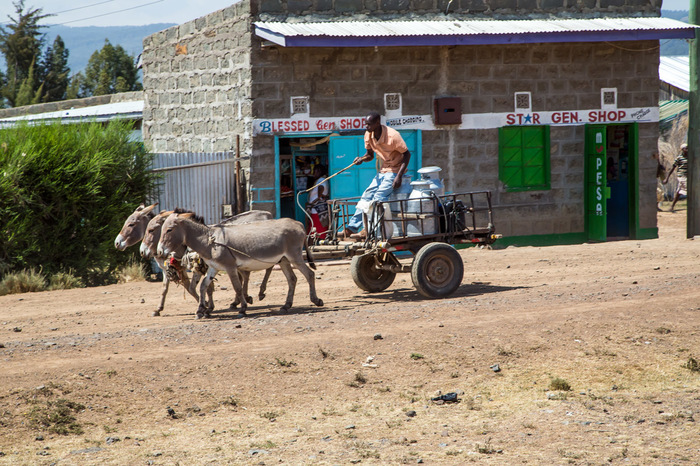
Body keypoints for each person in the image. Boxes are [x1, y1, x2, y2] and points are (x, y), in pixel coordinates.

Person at [337, 112, 411, 240]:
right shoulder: (368, 135)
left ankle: (368, 229)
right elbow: (369, 155)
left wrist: (398, 176)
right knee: (366, 196)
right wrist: (361, 159)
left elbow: (407, 155)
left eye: (369, 124)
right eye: (365, 124)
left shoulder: (393, 136)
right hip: (383, 171)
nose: (366, 126)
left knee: (378, 198)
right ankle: (351, 228)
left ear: (377, 123)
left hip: (394, 171)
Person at [663, 143, 688, 212]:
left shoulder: (691, 157)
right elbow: (673, 168)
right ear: (682, 149)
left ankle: (672, 206)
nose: (687, 149)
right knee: (689, 189)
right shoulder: (679, 158)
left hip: (689, 176)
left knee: (679, 192)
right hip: (682, 176)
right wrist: (667, 178)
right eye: (685, 148)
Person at [306, 164, 329, 239]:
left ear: (319, 171)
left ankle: (313, 246)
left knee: (315, 231)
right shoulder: (321, 179)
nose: (313, 173)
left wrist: (317, 198)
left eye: (315, 171)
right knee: (315, 230)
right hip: (315, 209)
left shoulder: (321, 180)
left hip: (317, 209)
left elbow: (321, 189)